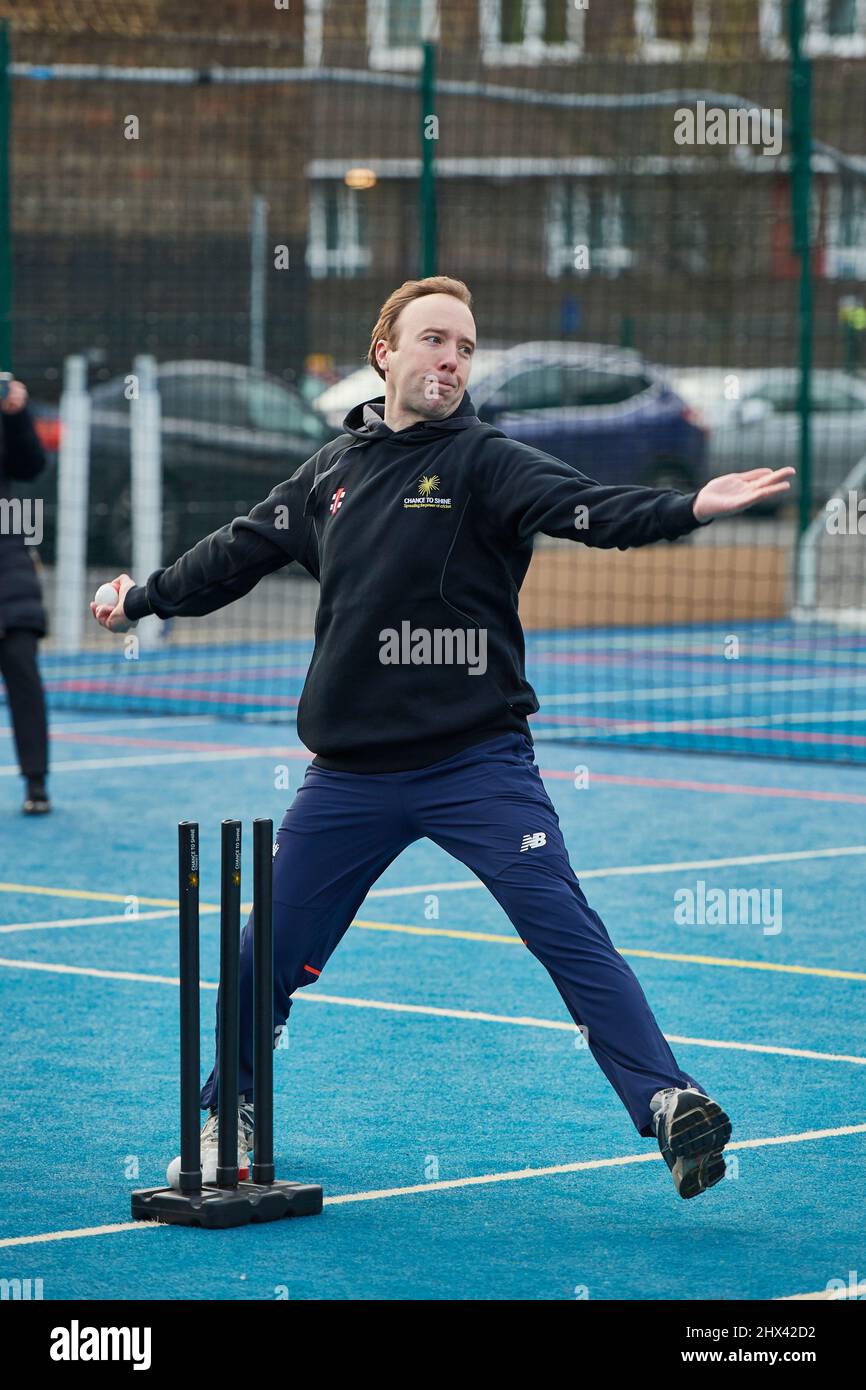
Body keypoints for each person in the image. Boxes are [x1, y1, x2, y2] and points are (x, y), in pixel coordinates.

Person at [92, 277, 793, 1199]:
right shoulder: (328, 475)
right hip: (349, 777)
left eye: (465, 347)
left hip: (478, 764)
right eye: (434, 341)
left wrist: (689, 508)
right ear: (385, 352)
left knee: (569, 936)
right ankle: (233, 1115)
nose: (452, 360)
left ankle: (667, 1102)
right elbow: (233, 553)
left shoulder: (487, 463)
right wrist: (141, 598)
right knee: (267, 955)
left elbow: (593, 510)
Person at [0, 377, 51, 815]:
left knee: (22, 672)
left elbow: (30, 464)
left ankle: (36, 783)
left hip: (8, 570)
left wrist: (16, 415)